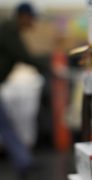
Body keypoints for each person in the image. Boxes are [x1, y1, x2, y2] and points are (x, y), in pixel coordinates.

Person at [0, 2, 49, 179]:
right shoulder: (8, 30)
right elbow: (23, 56)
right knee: (6, 126)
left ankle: (24, 162)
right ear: (23, 16)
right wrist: (48, 66)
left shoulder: (9, 29)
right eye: (31, 19)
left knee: (6, 126)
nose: (33, 23)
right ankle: (24, 161)